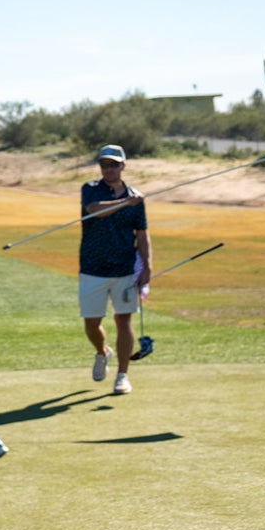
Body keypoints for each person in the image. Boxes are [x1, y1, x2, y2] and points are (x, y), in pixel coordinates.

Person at [78, 144, 151, 395]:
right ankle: (102, 351)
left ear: (123, 166)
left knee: (123, 320)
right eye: (104, 165)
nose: (108, 169)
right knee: (91, 324)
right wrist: (126, 202)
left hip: (124, 269)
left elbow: (142, 234)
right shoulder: (90, 189)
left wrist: (147, 267)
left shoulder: (136, 198)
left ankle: (122, 374)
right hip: (92, 267)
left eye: (113, 165)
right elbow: (94, 210)